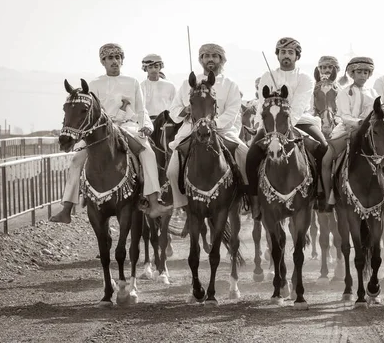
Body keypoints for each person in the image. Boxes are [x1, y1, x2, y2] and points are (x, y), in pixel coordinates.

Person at [50, 43, 172, 223]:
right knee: (76, 160)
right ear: (103, 61)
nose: (114, 61)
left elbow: (141, 109)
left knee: (148, 153)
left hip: (128, 127)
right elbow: (92, 112)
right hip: (102, 130)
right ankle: (67, 207)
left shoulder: (132, 82)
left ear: (122, 60)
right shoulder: (94, 84)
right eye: (110, 58)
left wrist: (146, 125)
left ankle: (153, 202)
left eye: (117, 58)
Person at [246, 37, 328, 218]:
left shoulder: (304, 78)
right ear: (277, 55)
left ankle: (320, 194)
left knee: (322, 148)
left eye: (291, 52)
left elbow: (299, 105)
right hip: (270, 122)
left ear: (297, 56)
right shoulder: (267, 76)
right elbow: (262, 104)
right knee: (251, 155)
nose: (286, 56)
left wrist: (287, 124)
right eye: (283, 52)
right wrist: (267, 126)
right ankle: (254, 201)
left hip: (301, 121)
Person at [166, 43, 249, 213]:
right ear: (201, 59)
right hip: (191, 132)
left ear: (221, 59)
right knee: (172, 172)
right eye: (206, 56)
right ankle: (183, 206)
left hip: (223, 131)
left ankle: (249, 200)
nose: (210, 59)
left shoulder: (230, 84)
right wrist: (187, 110)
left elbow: (232, 111)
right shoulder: (186, 83)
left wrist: (213, 124)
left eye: (214, 56)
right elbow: (174, 113)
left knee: (245, 155)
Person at [321, 57, 376, 207]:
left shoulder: (373, 92)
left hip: (370, 131)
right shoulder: (344, 93)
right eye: (359, 72)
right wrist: (358, 123)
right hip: (347, 130)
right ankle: (329, 195)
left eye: (366, 72)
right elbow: (344, 115)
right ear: (352, 74)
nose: (363, 75)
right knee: (326, 161)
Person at [140, 54, 177, 120]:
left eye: (156, 66)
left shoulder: (170, 86)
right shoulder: (141, 87)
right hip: (147, 122)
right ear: (146, 69)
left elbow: (175, 106)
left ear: (160, 67)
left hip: (166, 122)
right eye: (150, 67)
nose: (153, 70)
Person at [313, 55, 341, 138]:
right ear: (320, 70)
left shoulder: (342, 88)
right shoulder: (312, 87)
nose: (327, 70)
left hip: (338, 122)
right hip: (317, 121)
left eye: (331, 67)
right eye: (324, 67)